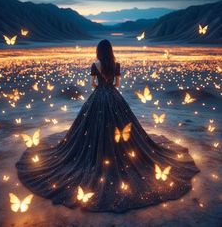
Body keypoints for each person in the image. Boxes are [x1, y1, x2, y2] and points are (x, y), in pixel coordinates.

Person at [16, 39, 199, 213]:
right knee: (122, 128)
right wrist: (109, 85)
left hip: (98, 98)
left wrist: (100, 84)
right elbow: (117, 84)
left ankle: (99, 149)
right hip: (113, 97)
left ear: (99, 51)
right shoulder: (116, 65)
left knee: (91, 128)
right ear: (110, 51)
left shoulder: (95, 65)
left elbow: (93, 84)